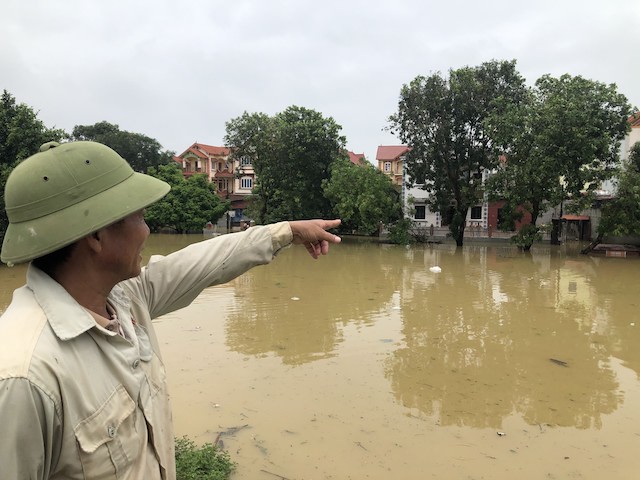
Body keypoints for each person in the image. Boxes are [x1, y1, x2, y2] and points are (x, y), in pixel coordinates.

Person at [0, 141, 341, 479]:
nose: (148, 230)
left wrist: (287, 232)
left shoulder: (124, 296)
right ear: (96, 236)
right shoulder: (24, 376)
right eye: (140, 216)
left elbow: (202, 262)